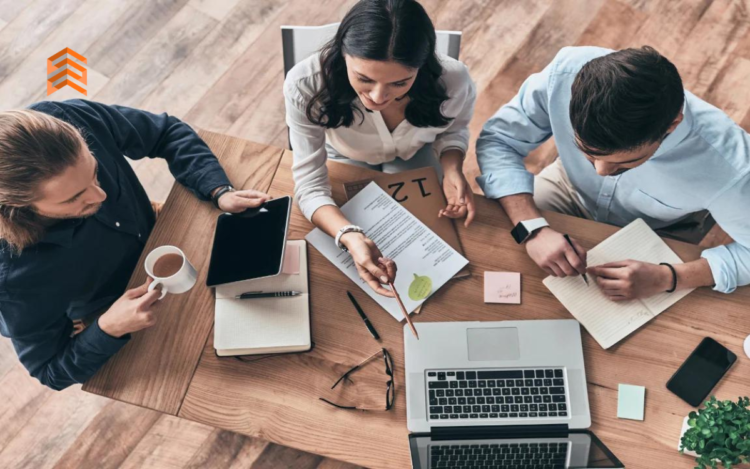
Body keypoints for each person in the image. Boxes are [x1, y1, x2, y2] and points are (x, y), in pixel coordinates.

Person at [0, 99, 271, 390]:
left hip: (165, 234)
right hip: (118, 308)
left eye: (94, 171)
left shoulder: (65, 117)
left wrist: (218, 189)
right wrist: (107, 328)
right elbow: (50, 371)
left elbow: (165, 132)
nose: (100, 196)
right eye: (73, 198)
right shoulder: (14, 280)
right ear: (16, 207)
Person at [477, 46, 750, 301]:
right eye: (587, 153)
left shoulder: (731, 168)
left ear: (672, 125)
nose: (600, 171)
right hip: (567, 187)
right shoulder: (564, 74)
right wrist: (532, 228)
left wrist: (669, 276)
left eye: (624, 163)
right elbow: (499, 139)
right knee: (490, 256)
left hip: (654, 229)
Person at [284, 0, 476, 296]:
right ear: (343, 53)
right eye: (364, 78)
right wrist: (348, 235)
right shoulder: (305, 84)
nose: (378, 96)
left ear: (421, 66)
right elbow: (309, 186)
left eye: (400, 82)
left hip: (418, 154)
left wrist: (453, 167)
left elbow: (454, 130)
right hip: (345, 156)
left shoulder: (453, 79)